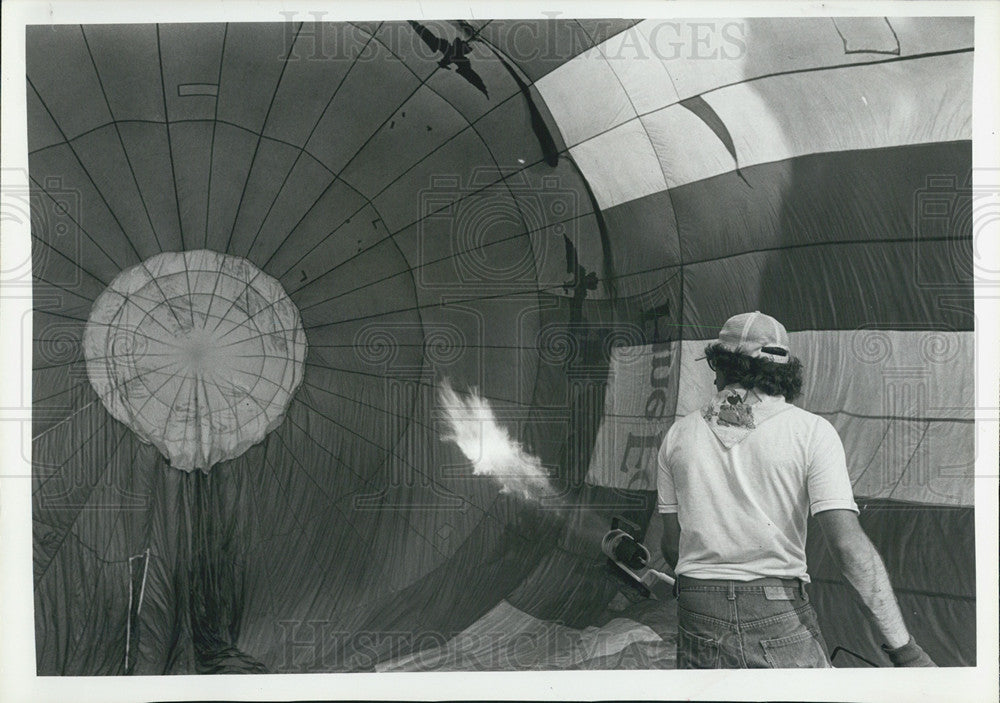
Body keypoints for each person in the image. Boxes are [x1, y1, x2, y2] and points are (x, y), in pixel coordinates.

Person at [656, 311, 935, 669]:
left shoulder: (678, 435)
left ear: (721, 366)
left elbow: (671, 543)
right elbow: (848, 547)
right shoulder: (812, 432)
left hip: (697, 607)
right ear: (785, 371)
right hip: (776, 607)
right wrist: (905, 650)